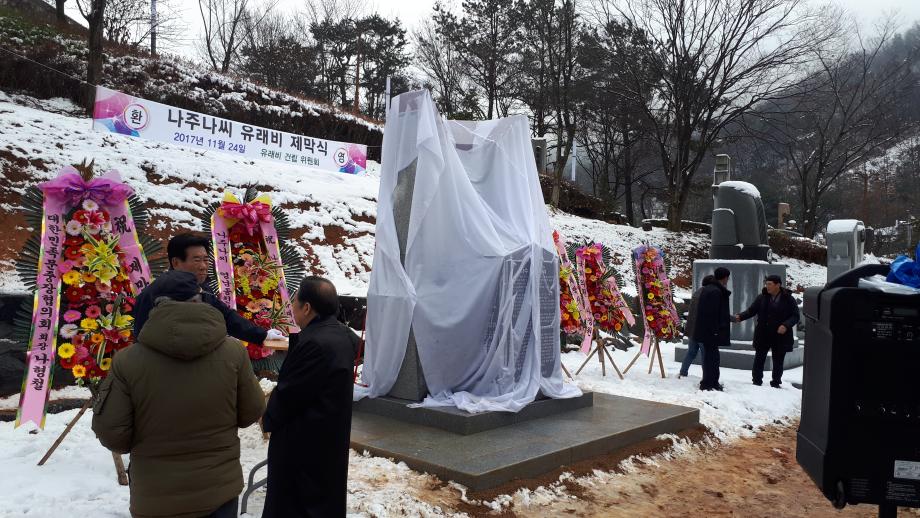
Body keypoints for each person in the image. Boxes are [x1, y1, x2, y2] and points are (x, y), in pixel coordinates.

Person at [92, 270, 266, 518]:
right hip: (219, 490)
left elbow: (112, 433)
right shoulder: (233, 352)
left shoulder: (128, 361)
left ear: (156, 304)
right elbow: (251, 411)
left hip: (156, 495)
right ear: (200, 300)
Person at [262, 277, 357, 517]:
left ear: (306, 308)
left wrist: (268, 416)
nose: (292, 309)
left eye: (295, 303)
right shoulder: (342, 335)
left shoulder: (315, 343)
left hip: (304, 442)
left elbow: (291, 394)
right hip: (329, 435)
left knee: (297, 504)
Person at [132, 233, 281, 344]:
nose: (203, 266)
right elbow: (225, 316)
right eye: (196, 260)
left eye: (205, 259)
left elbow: (226, 315)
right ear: (176, 262)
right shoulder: (175, 290)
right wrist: (261, 335)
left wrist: (263, 334)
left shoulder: (198, 286)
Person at [735, 274, 801, 388]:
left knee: (778, 360)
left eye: (770, 284)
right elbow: (751, 311)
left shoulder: (788, 299)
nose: (767, 286)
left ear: (778, 285)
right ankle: (756, 381)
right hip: (763, 333)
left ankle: (776, 382)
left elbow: (795, 316)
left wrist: (785, 325)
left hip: (780, 335)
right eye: (766, 284)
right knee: (759, 357)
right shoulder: (762, 297)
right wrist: (740, 317)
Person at [693, 267, 732, 391]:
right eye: (727, 277)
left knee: (711, 357)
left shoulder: (710, 289)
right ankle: (709, 383)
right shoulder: (715, 291)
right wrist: (715, 330)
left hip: (707, 330)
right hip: (711, 332)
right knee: (712, 358)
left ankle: (711, 381)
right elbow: (713, 313)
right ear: (725, 277)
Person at [678, 275, 713, 379]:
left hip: (692, 330)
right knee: (705, 355)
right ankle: (706, 377)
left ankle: (683, 372)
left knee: (691, 352)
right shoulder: (708, 295)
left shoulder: (697, 293)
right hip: (702, 330)